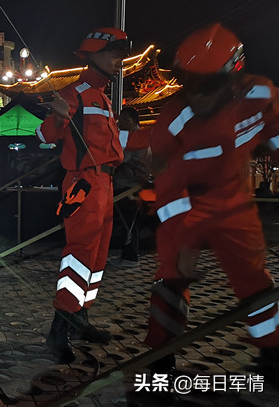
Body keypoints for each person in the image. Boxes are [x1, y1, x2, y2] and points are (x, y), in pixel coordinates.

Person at [144, 23, 279, 383]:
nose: (196, 95)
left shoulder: (260, 95)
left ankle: (272, 352)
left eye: (205, 85)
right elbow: (168, 188)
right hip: (186, 204)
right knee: (171, 280)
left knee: (255, 282)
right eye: (189, 83)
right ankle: (159, 359)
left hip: (235, 201)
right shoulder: (173, 121)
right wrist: (183, 241)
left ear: (231, 77)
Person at [35, 27, 130, 363]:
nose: (120, 61)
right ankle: (58, 331)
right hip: (83, 185)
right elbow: (46, 134)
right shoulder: (75, 92)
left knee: (97, 260)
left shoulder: (103, 97)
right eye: (114, 54)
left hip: (105, 185)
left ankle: (80, 318)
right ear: (93, 53)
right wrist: (58, 114)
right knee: (78, 257)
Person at [108, 107, 151, 267]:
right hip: (133, 184)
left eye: (124, 119)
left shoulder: (133, 140)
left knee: (129, 223)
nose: (120, 123)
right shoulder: (137, 137)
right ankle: (127, 255)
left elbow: (120, 160)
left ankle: (130, 257)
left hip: (129, 185)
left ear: (133, 120)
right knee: (129, 222)